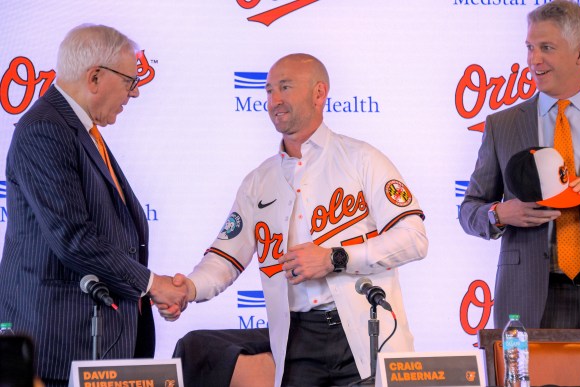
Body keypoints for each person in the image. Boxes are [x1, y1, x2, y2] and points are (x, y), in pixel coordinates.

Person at [160, 53, 428, 386]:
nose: (274, 100)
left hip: (364, 329)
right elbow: (225, 258)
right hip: (296, 338)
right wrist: (189, 287)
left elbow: (414, 237)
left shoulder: (362, 159)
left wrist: (335, 258)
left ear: (319, 93)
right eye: (269, 91)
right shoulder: (259, 181)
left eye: (285, 88)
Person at [0, 24, 188, 386]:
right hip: (58, 340)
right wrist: (151, 284)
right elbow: (73, 238)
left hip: (95, 343)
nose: (133, 94)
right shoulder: (46, 129)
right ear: (96, 77)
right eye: (130, 82)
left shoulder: (79, 130)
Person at [459, 0, 580, 331]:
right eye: (530, 47)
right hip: (529, 297)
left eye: (546, 48)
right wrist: (500, 214)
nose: (533, 60)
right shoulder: (501, 125)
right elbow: (469, 210)